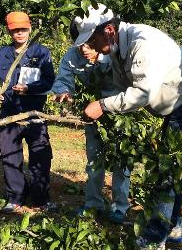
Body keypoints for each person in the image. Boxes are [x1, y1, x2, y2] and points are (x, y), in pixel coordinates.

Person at [78, 4, 182, 250]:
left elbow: (141, 93)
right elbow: (123, 88)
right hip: (178, 104)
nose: (92, 47)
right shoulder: (118, 48)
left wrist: (101, 105)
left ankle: (153, 240)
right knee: (173, 168)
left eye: (93, 40)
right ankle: (174, 229)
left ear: (108, 30)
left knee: (168, 169)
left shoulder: (142, 43)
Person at [51, 14, 130, 224]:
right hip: (92, 115)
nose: (85, 49)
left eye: (89, 44)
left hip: (119, 113)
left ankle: (120, 207)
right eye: (81, 45)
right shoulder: (71, 56)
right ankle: (93, 203)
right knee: (94, 160)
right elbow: (63, 80)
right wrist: (64, 93)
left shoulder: (114, 54)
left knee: (121, 161)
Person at [0, 11, 55, 213]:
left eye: (23, 29)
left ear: (30, 28)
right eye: (15, 30)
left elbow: (49, 80)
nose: (20, 33)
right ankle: (15, 197)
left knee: (41, 154)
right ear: (9, 31)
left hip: (34, 113)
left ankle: (41, 198)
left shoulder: (41, 52)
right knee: (9, 155)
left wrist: (30, 88)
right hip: (9, 113)